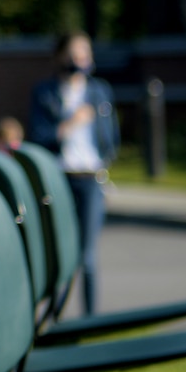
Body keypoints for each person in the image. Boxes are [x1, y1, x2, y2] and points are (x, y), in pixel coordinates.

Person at [29, 32, 117, 313]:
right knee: (59, 253)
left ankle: (91, 319)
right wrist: (69, 124)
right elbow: (38, 138)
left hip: (90, 178)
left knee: (87, 256)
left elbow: (110, 139)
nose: (80, 57)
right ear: (60, 56)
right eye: (73, 51)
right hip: (59, 179)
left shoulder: (99, 92)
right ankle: (55, 316)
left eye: (85, 51)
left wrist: (106, 174)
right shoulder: (46, 92)